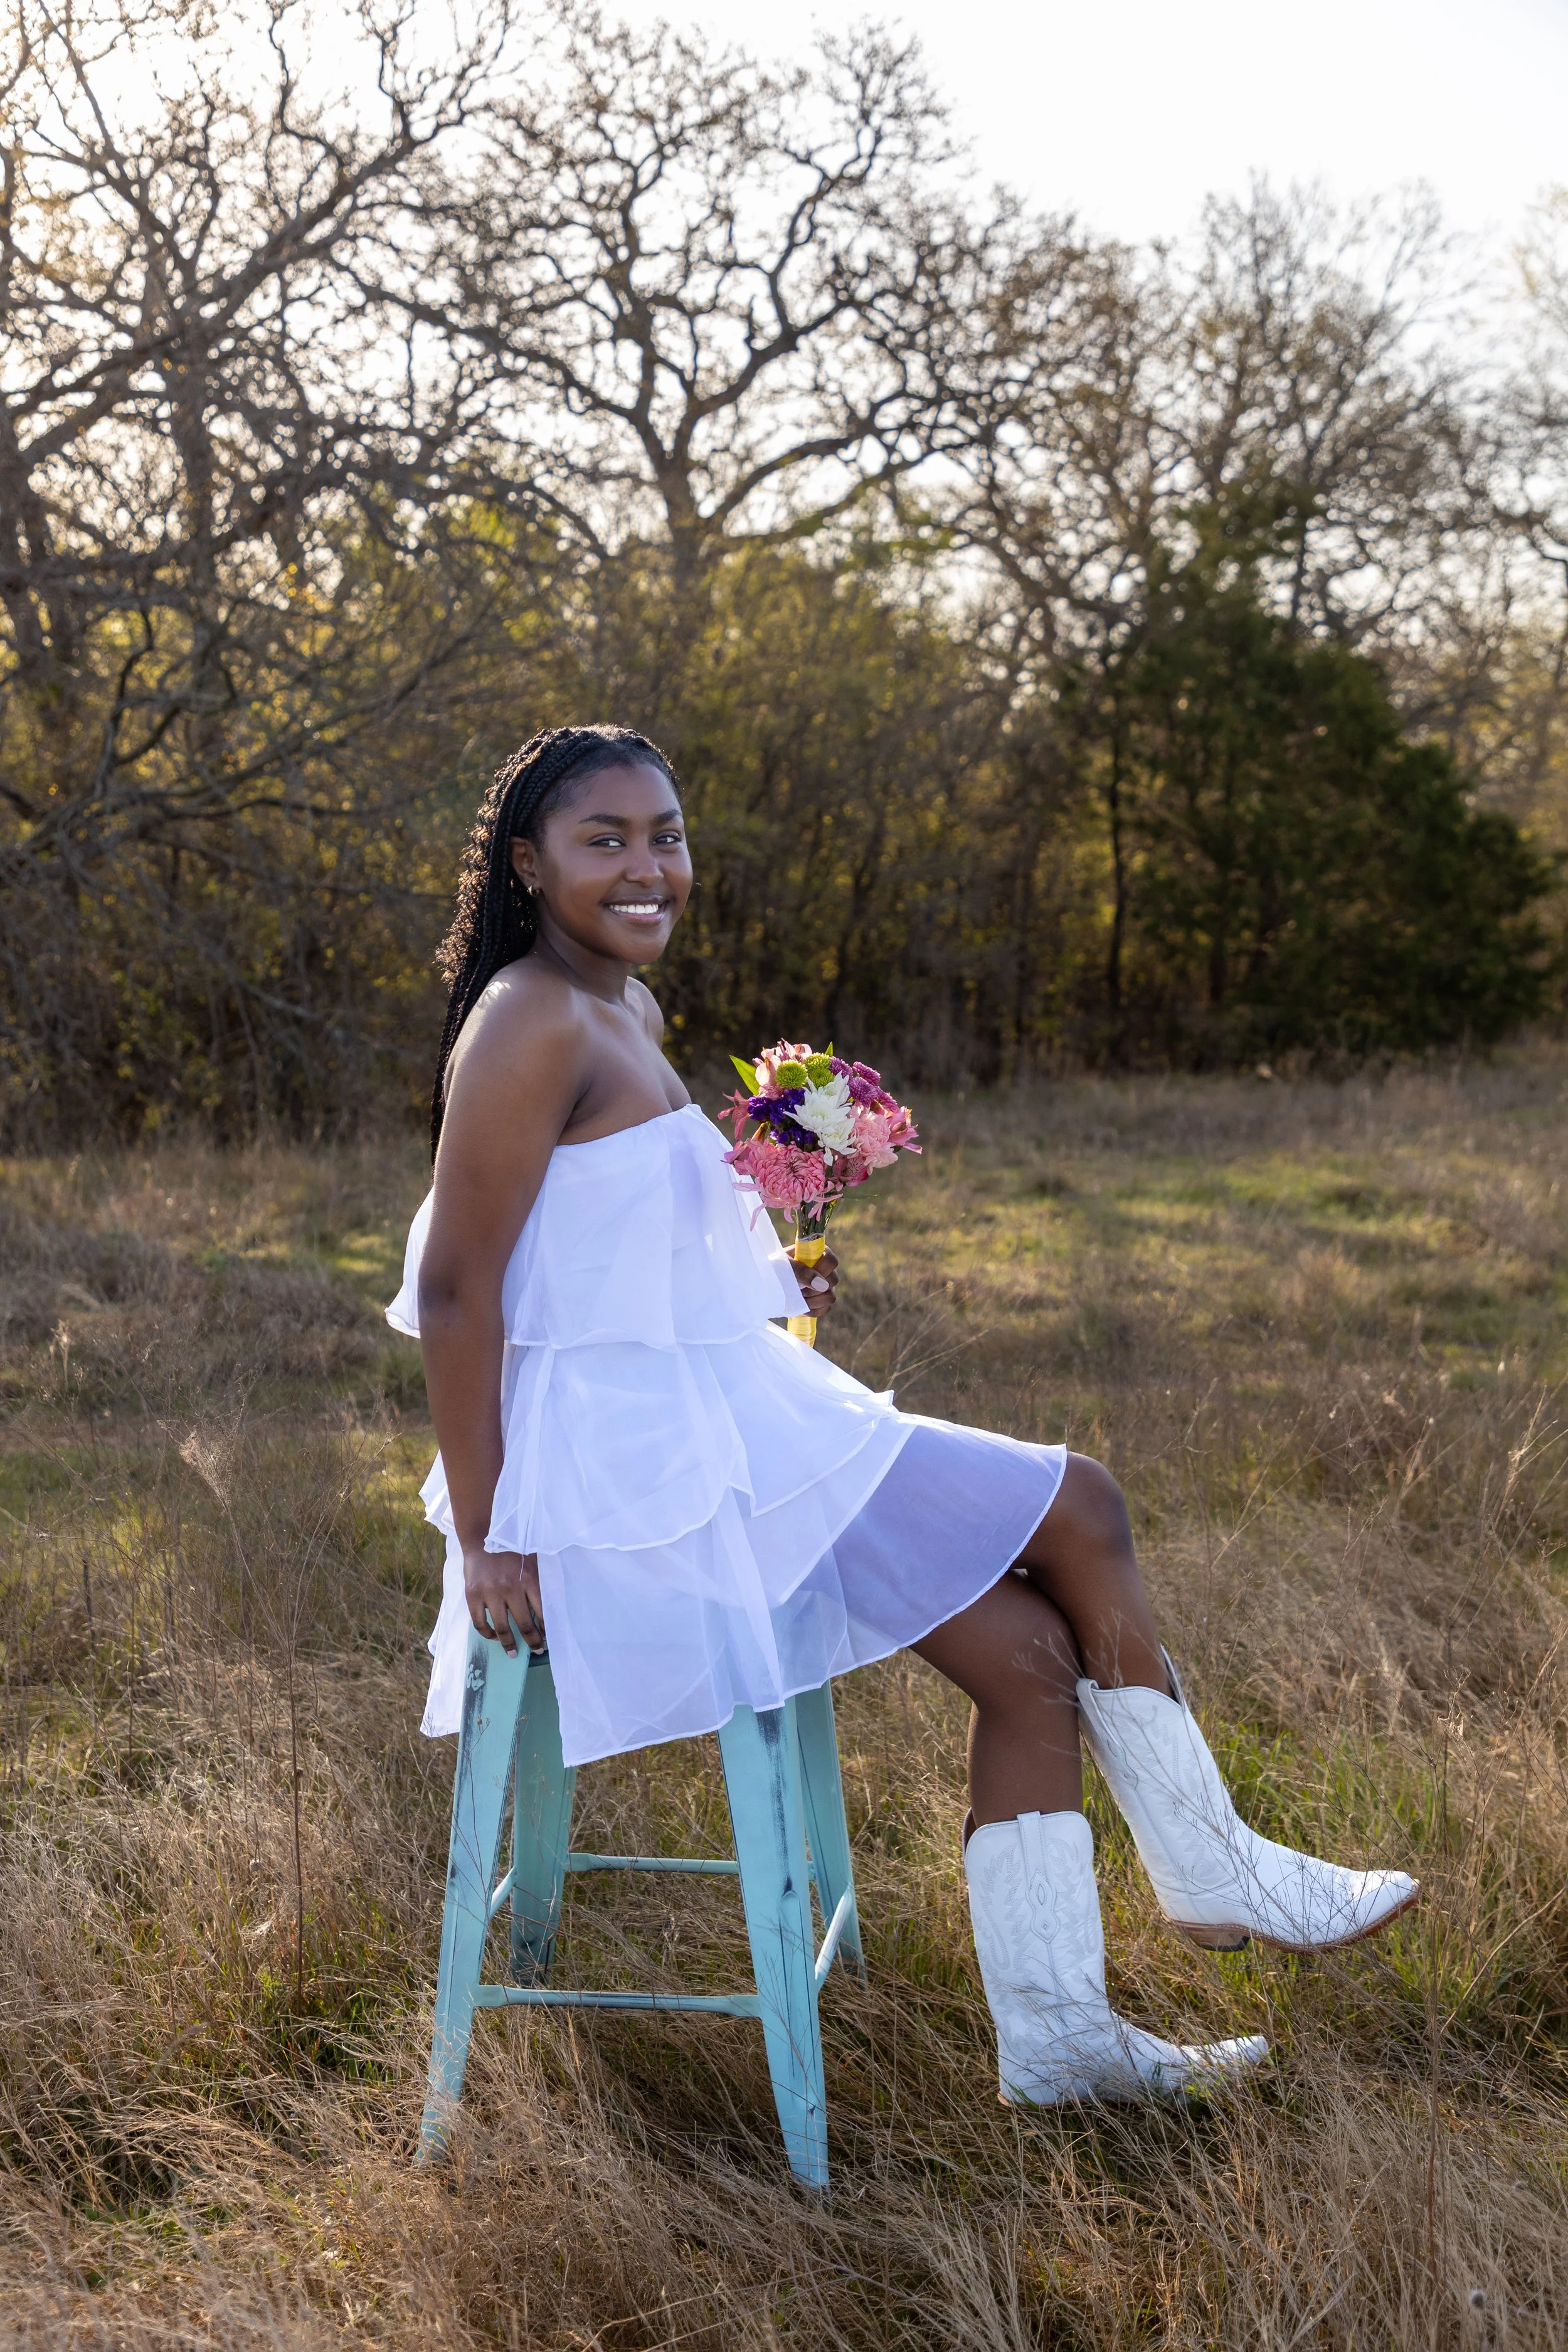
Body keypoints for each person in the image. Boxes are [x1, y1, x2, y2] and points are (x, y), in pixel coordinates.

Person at [388, 724, 1419, 2111]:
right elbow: (458, 1291)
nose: (648, 869)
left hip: (702, 1422)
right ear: (526, 861)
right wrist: (488, 1533)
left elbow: (589, 1252)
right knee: (1083, 1500)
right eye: (604, 840)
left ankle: (1058, 2041)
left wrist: (768, 1239)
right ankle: (1212, 1869)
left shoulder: (613, 1004)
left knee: (1030, 1656)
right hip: (624, 1478)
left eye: (667, 836)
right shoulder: (530, 1017)